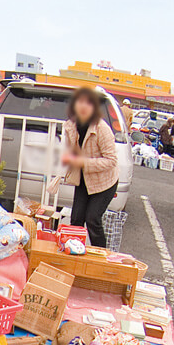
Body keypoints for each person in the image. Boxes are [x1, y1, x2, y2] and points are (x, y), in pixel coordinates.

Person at [60, 87, 119, 249]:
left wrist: (83, 163)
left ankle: (101, 256)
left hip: (104, 181)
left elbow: (111, 160)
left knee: (93, 219)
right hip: (83, 179)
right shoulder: (70, 126)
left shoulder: (102, 129)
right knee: (76, 219)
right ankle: (74, 252)